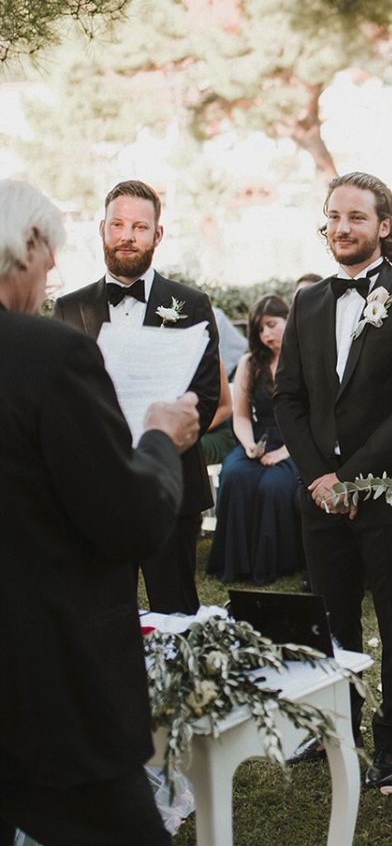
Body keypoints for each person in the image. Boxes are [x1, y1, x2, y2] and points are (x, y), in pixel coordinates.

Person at [0, 180, 222, 846]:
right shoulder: (48, 353)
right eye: (47, 256)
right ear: (25, 247)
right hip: (46, 689)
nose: (51, 276)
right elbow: (127, 521)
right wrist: (161, 438)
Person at [273, 173, 392, 788]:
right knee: (331, 618)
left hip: (387, 492)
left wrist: (352, 477)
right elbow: (288, 398)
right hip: (320, 495)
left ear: (384, 226)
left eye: (357, 218)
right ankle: (333, 725)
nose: (342, 228)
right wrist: (320, 477)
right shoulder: (307, 302)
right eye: (334, 216)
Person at [53, 179, 220, 616]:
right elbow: (61, 397)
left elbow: (205, 394)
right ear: (102, 229)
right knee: (103, 614)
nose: (127, 235)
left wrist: (163, 436)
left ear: (157, 235)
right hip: (96, 486)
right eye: (118, 224)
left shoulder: (192, 303)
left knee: (177, 612)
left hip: (173, 482)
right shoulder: (68, 308)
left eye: (140, 227)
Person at [207, 294, 303, 587]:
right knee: (235, 475)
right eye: (260, 329)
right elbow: (242, 415)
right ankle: (237, 564)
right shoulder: (250, 362)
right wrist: (248, 444)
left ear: (288, 320)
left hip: (296, 441)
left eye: (272, 325)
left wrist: (284, 453)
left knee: (273, 486)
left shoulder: (304, 359)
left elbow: (314, 420)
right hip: (259, 436)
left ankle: (277, 563)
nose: (266, 335)